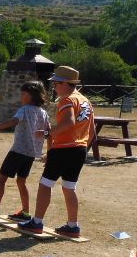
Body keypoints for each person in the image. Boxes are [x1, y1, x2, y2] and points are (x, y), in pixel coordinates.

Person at [18, 66, 94, 238]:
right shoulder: (86, 102)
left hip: (64, 149)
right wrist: (82, 149)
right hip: (80, 149)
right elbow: (91, 131)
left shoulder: (66, 100)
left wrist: (46, 133)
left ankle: (36, 222)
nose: (54, 86)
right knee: (69, 187)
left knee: (45, 184)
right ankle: (73, 226)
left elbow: (69, 122)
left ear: (67, 84)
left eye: (57, 83)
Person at [0, 81, 50, 220]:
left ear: (33, 95)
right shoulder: (43, 113)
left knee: (1, 179)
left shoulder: (24, 109)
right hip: (31, 153)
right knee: (21, 181)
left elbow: (13, 121)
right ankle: (25, 213)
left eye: (24, 94)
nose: (21, 96)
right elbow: (48, 132)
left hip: (18, 151)